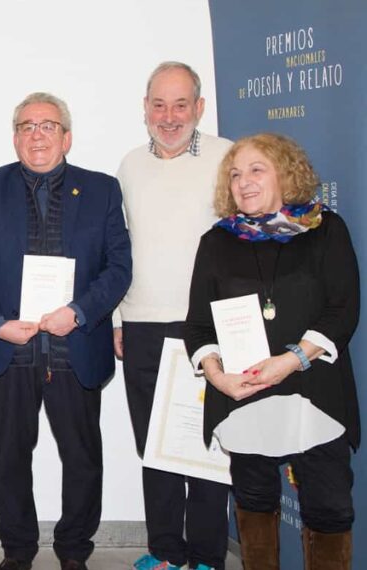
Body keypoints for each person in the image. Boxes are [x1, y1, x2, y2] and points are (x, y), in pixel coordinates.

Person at [0, 92, 131, 570]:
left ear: (67, 137)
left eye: (48, 125)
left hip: (74, 347)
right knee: (11, 459)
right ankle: (18, 552)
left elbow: (119, 267)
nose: (37, 134)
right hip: (11, 349)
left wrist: (78, 312)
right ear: (15, 137)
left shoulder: (101, 190)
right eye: (26, 126)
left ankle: (74, 551)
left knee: (82, 459)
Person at [184, 133, 359, 570]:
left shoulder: (326, 229)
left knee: (329, 506)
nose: (244, 182)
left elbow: (343, 309)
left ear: (285, 172)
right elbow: (199, 324)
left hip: (313, 389)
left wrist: (292, 360)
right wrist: (216, 374)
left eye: (256, 170)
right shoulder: (217, 241)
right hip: (244, 394)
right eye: (236, 174)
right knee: (255, 500)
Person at [115, 62, 232, 570]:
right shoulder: (129, 165)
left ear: (199, 108)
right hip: (141, 325)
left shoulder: (229, 158)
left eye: (180, 104)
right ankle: (164, 552)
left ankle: (206, 556)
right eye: (158, 104)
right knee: (154, 447)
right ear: (144, 108)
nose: (169, 116)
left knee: (206, 445)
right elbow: (120, 249)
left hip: (208, 327)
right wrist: (119, 317)